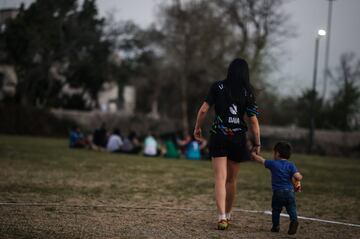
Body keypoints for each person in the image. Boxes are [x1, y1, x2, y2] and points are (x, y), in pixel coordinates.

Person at [193, 58, 261, 230]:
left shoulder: (217, 86)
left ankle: (221, 217)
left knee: (220, 178)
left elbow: (203, 110)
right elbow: (253, 122)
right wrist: (257, 143)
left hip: (219, 136)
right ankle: (229, 215)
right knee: (231, 179)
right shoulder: (248, 92)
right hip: (238, 138)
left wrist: (197, 128)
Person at [251, 141, 303, 235]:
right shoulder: (291, 165)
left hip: (278, 192)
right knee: (291, 208)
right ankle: (294, 220)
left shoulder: (273, 164)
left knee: (276, 210)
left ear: (277, 153)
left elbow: (261, 160)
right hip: (289, 192)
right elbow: (298, 176)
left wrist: (253, 154)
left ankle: (276, 226)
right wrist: (298, 180)